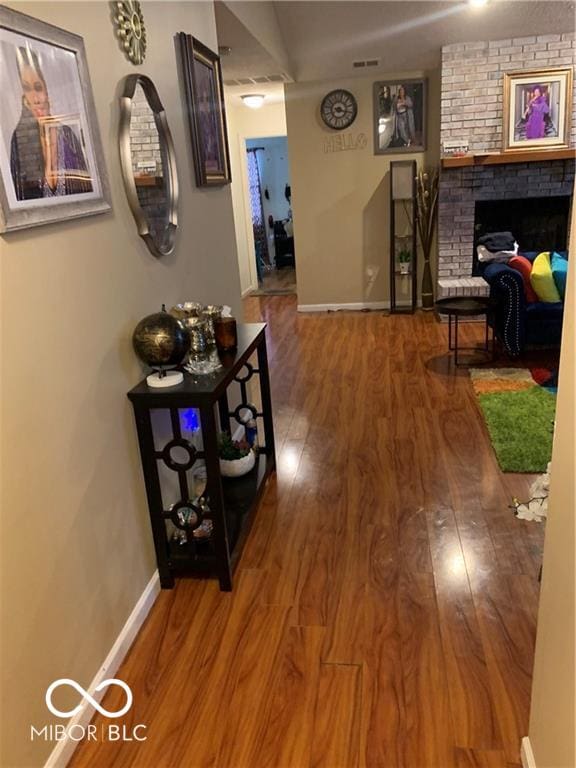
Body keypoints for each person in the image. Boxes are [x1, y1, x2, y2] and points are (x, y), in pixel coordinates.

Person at [10, 46, 92, 200]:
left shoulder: (67, 135)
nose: (35, 99)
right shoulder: (18, 139)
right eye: (27, 89)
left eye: (38, 88)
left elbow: (86, 191)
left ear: (49, 90)